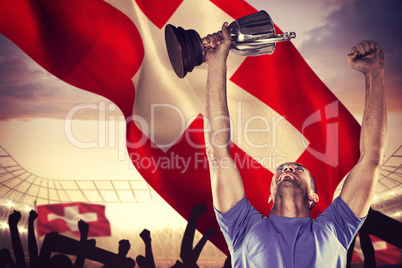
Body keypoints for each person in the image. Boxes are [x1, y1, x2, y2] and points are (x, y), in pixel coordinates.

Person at [203, 22, 387, 267]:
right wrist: (216, 65)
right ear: (269, 196)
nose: (286, 169)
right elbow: (217, 155)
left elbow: (371, 160)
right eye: (281, 169)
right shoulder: (241, 227)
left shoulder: (337, 229)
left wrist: (375, 72)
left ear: (314, 196)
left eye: (298, 170)